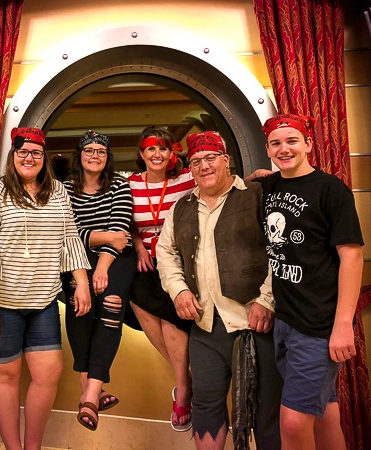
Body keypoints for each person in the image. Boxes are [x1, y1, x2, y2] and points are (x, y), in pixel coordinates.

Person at [0, 127, 92, 450]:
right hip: (0, 302)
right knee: (7, 376)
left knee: (49, 374)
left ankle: (32, 447)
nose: (29, 158)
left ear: (44, 158)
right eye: (22, 152)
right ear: (13, 156)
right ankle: (13, 448)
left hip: (43, 299)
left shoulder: (58, 193)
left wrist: (83, 284)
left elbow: (69, 239)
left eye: (36, 153)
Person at [156, 131, 282, 450]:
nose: (204, 166)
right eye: (196, 162)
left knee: (268, 412)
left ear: (226, 161)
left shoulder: (256, 195)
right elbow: (166, 252)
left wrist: (266, 301)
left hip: (255, 324)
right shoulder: (181, 208)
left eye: (211, 158)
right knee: (206, 408)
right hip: (205, 327)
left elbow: (278, 250)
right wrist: (179, 291)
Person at [260, 114, 364, 450]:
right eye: (276, 143)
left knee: (292, 424)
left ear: (308, 144)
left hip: (318, 324)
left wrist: (344, 324)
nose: (284, 148)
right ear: (268, 149)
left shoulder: (331, 190)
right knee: (324, 414)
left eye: (292, 141)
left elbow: (352, 256)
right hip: (285, 321)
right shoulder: (269, 186)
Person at [62, 130, 136, 431]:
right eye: (89, 150)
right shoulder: (64, 188)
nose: (95, 156)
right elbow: (66, 232)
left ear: (108, 158)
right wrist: (104, 236)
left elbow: (121, 232)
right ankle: (90, 385)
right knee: (79, 304)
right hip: (76, 258)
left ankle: (90, 396)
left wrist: (103, 266)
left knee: (111, 304)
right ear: (79, 155)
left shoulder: (119, 184)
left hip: (116, 259)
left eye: (101, 152)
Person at [127, 125, 195, 431]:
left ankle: (182, 387)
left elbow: (220, 185)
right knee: (134, 294)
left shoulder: (187, 180)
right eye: (151, 148)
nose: (157, 154)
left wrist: (257, 176)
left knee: (171, 316)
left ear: (172, 154)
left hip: (177, 264)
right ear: (142, 154)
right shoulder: (129, 184)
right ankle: (189, 378)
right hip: (145, 263)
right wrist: (138, 244)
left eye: (164, 149)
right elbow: (124, 221)